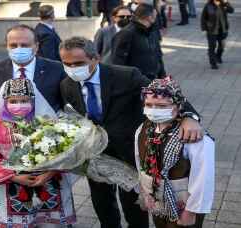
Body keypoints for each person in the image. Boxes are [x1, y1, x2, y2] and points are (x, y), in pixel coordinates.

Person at [59, 37, 203, 228]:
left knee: (133, 206)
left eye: (78, 63)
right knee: (102, 202)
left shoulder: (125, 76)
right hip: (95, 155)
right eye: (67, 64)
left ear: (96, 58)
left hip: (129, 152)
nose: (72, 68)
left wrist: (189, 116)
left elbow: (163, 93)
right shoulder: (67, 85)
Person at [0, 78, 76, 227]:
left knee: (52, 223)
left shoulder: (47, 122)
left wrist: (49, 173)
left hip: (49, 181)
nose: (19, 105)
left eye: (24, 100)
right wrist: (14, 177)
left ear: (33, 100)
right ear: (4, 101)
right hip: (13, 183)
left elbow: (64, 152)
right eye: (13, 101)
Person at [135, 77, 215, 228]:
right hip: (156, 198)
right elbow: (140, 162)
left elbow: (203, 178)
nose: (153, 110)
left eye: (161, 105)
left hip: (182, 202)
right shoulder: (143, 129)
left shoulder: (194, 137)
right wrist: (144, 191)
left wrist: (191, 211)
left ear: (178, 107)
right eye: (149, 105)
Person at [0, 24, 66, 118]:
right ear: (7, 46)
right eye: (13, 45)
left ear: (37, 46)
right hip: (7, 128)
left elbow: (67, 101)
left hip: (48, 128)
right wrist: (2, 115)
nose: (19, 48)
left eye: (24, 45)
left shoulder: (56, 68)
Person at [111, 3, 166, 80]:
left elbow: (158, 56)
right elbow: (118, 64)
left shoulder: (153, 31)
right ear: (150, 17)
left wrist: (163, 77)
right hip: (135, 84)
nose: (157, 18)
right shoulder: (126, 34)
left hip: (153, 81)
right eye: (155, 15)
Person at [201, 0, 234, 69]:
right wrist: (204, 29)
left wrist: (226, 3)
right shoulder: (208, 5)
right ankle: (213, 63)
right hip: (211, 30)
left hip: (222, 29)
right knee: (212, 46)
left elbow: (231, 11)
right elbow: (203, 17)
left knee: (222, 45)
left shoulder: (224, 4)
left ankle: (218, 56)